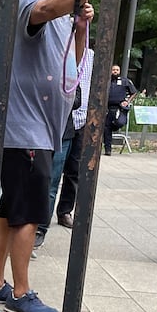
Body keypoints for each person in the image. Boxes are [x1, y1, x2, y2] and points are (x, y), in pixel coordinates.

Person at [0, 0, 146, 312]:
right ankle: (21, 292)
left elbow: (70, 72)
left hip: (40, 130)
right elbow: (45, 8)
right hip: (27, 131)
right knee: (29, 214)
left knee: (9, 209)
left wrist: (79, 29)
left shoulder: (64, 18)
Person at [33, 47, 94, 251]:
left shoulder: (88, 57)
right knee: (44, 177)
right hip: (51, 125)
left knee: (68, 174)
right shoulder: (54, 52)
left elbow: (81, 95)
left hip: (76, 124)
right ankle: (35, 224)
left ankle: (55, 218)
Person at [103, 64, 137, 155]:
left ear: (119, 71)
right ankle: (107, 149)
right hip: (108, 108)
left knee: (120, 122)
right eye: (113, 69)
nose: (115, 71)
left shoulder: (125, 81)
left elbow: (134, 92)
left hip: (120, 108)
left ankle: (115, 127)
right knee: (107, 129)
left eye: (117, 70)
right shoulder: (107, 81)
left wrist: (127, 101)